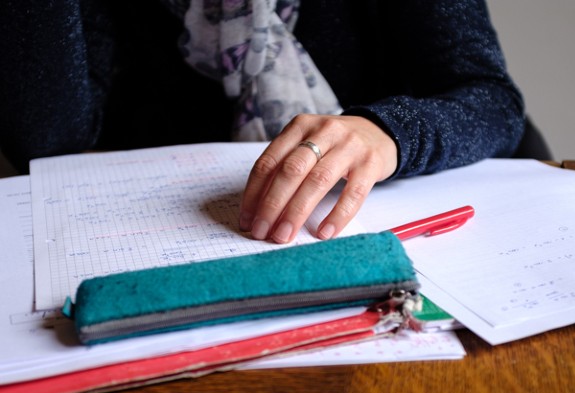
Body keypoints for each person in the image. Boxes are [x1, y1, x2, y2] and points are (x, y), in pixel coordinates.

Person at [0, 0, 526, 243]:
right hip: (170, 239)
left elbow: (493, 99)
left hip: (391, 221)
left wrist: (386, 132)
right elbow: (49, 141)